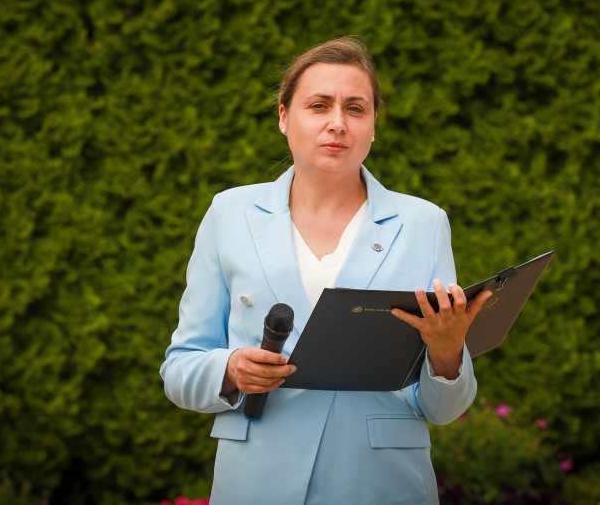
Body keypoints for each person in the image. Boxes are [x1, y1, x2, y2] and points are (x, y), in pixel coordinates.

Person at [160, 37, 491, 505]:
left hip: (381, 484)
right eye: (319, 105)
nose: (338, 123)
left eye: (356, 108)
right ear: (283, 117)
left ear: (373, 125)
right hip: (257, 482)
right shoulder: (228, 214)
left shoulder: (424, 223)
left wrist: (447, 352)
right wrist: (230, 369)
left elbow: (443, 410)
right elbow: (179, 370)